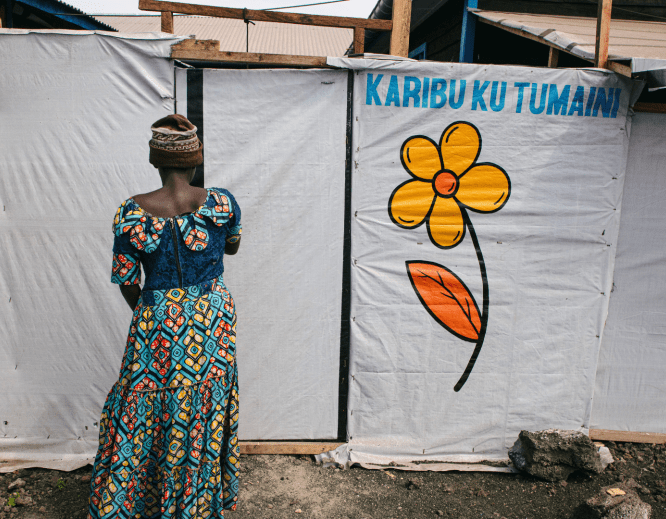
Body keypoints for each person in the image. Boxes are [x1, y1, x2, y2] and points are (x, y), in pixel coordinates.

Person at [87, 114, 242, 519]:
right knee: (201, 411)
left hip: (157, 320)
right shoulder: (223, 203)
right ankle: (196, 505)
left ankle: (136, 503)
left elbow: (125, 280)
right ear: (198, 158)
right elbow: (231, 249)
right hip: (212, 320)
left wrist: (156, 310)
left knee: (145, 408)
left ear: (154, 160)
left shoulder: (131, 212)